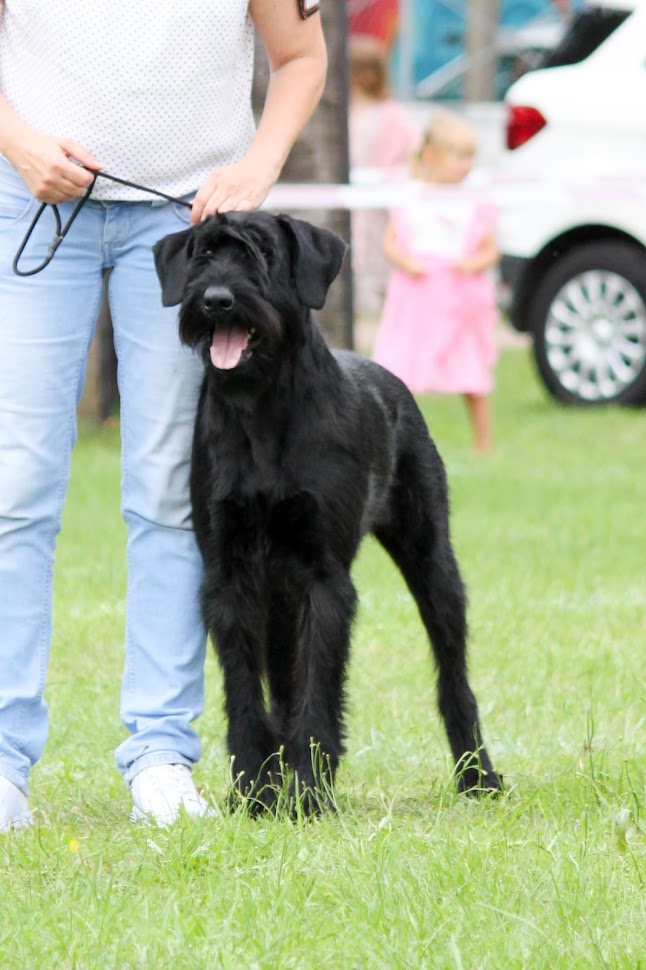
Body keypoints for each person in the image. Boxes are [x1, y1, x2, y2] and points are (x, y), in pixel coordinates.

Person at [0, 0, 327, 832]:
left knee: (170, 492)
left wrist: (257, 165)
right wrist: (17, 139)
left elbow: (301, 56)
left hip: (191, 220)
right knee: (14, 487)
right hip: (28, 200)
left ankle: (160, 753)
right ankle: (2, 760)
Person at [372, 110, 499, 452]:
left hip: (458, 298)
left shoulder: (474, 201)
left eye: (470, 157)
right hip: (417, 298)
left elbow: (490, 250)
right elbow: (390, 243)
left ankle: (483, 444)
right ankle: (395, 441)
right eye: (458, 156)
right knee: (402, 373)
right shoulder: (410, 195)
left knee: (470, 371)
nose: (465, 165)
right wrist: (406, 262)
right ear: (431, 155)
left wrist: (471, 263)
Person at [348, 34, 418, 318]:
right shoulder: (340, 113)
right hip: (350, 209)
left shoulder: (392, 116)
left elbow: (409, 160)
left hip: (381, 214)